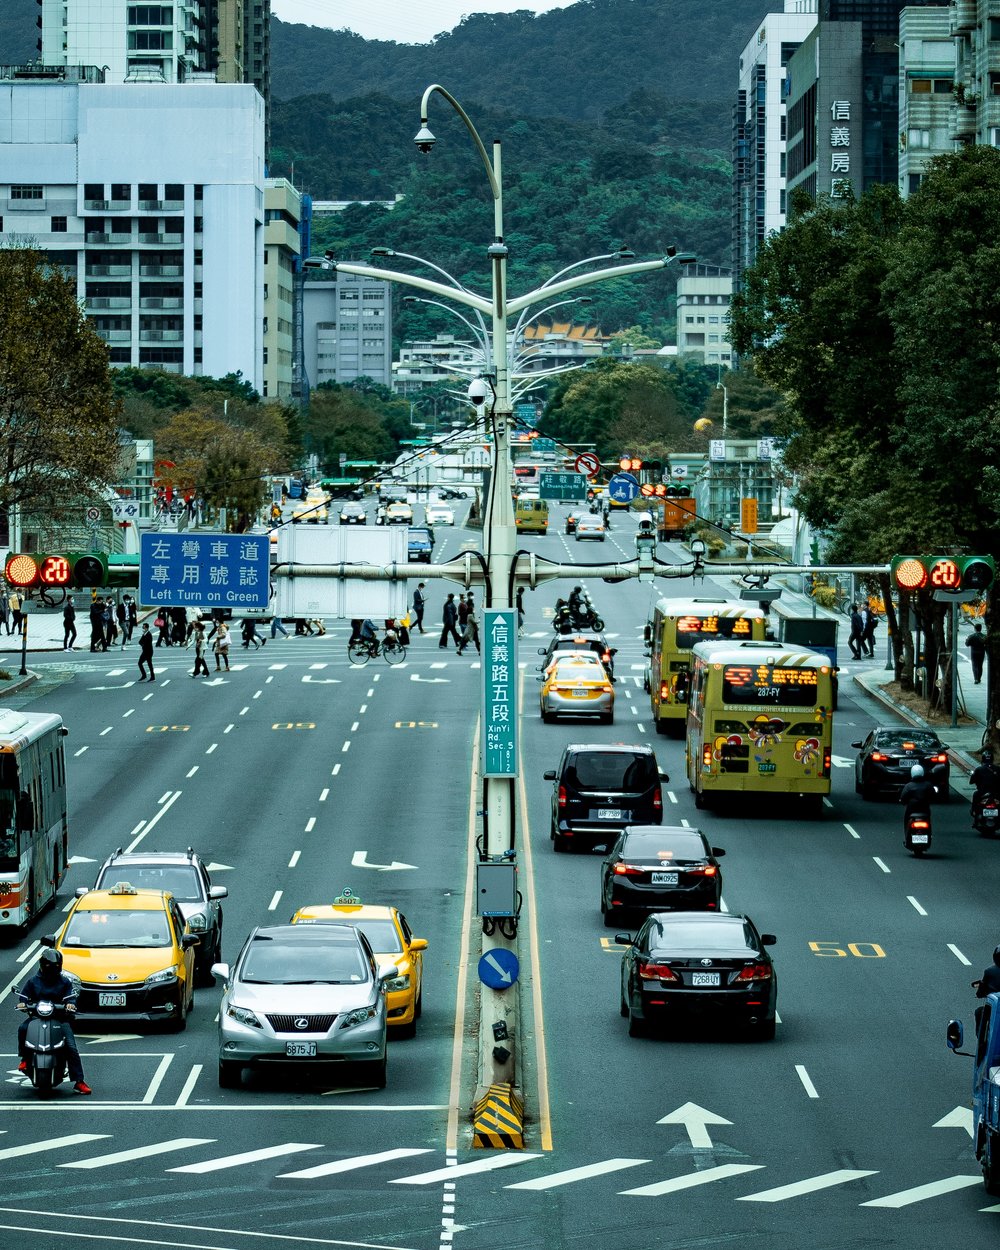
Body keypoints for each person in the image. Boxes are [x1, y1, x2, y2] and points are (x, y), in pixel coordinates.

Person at [17, 948, 91, 1095]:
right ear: (43, 965)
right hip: (37, 1018)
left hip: (60, 1019)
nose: (52, 969)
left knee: (71, 1047)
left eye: (55, 966)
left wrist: (70, 1004)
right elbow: (24, 997)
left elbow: (71, 997)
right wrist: (23, 1004)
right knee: (22, 1029)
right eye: (50, 966)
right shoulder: (33, 981)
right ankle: (25, 1059)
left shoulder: (65, 982)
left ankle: (79, 1081)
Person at [970, 749, 1000, 815]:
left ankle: (974, 811)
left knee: (975, 795)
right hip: (996, 792)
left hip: (982, 792)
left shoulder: (979, 769)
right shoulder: (998, 769)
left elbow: (971, 781)